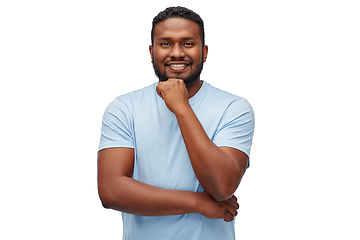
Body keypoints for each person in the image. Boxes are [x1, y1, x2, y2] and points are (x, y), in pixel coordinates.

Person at [97, 6, 255, 240]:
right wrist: (198, 203)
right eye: (166, 43)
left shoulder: (234, 108)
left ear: (204, 52)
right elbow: (111, 191)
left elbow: (222, 186)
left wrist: (182, 108)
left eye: (188, 43)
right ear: (152, 51)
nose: (177, 52)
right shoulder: (124, 108)